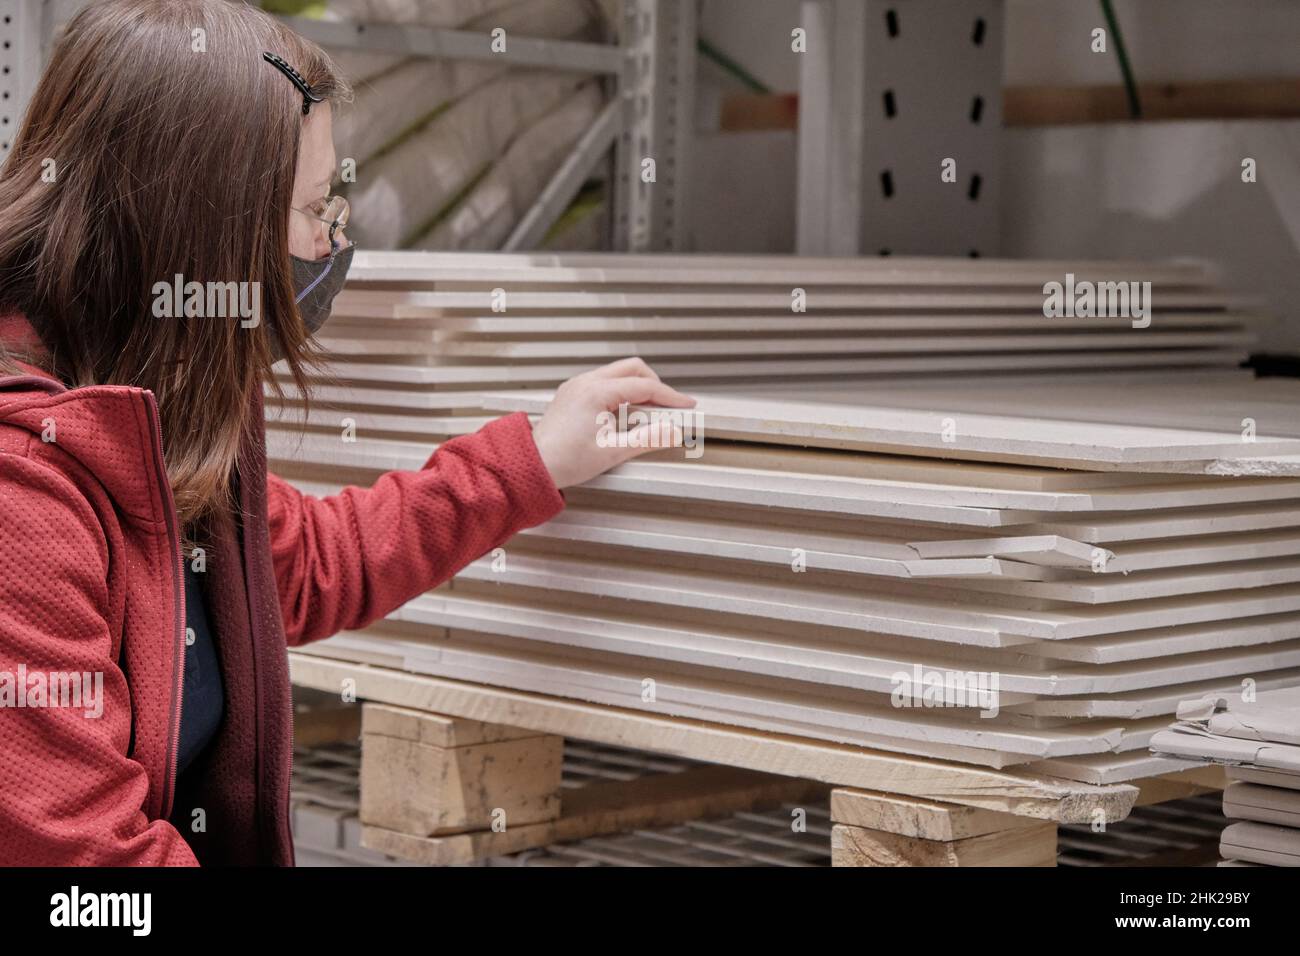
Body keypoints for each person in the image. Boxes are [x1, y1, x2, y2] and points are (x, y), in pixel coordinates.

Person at [0, 0, 693, 866]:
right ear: (203, 228)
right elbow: (87, 872)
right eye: (313, 207)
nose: (331, 240)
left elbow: (306, 566)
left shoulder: (154, 410)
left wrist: (531, 459)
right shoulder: (22, 490)